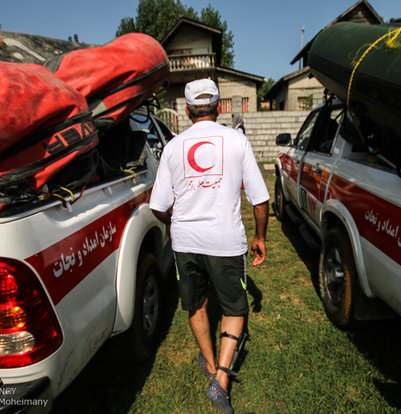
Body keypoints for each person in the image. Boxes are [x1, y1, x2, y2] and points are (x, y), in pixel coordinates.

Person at [149, 78, 269, 414]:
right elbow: (260, 198)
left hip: (185, 241)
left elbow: (157, 205)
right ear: (219, 108)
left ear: (187, 112)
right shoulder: (236, 140)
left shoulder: (173, 147)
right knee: (233, 308)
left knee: (196, 303)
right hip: (226, 241)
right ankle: (221, 381)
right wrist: (260, 237)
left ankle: (212, 363)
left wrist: (178, 218)